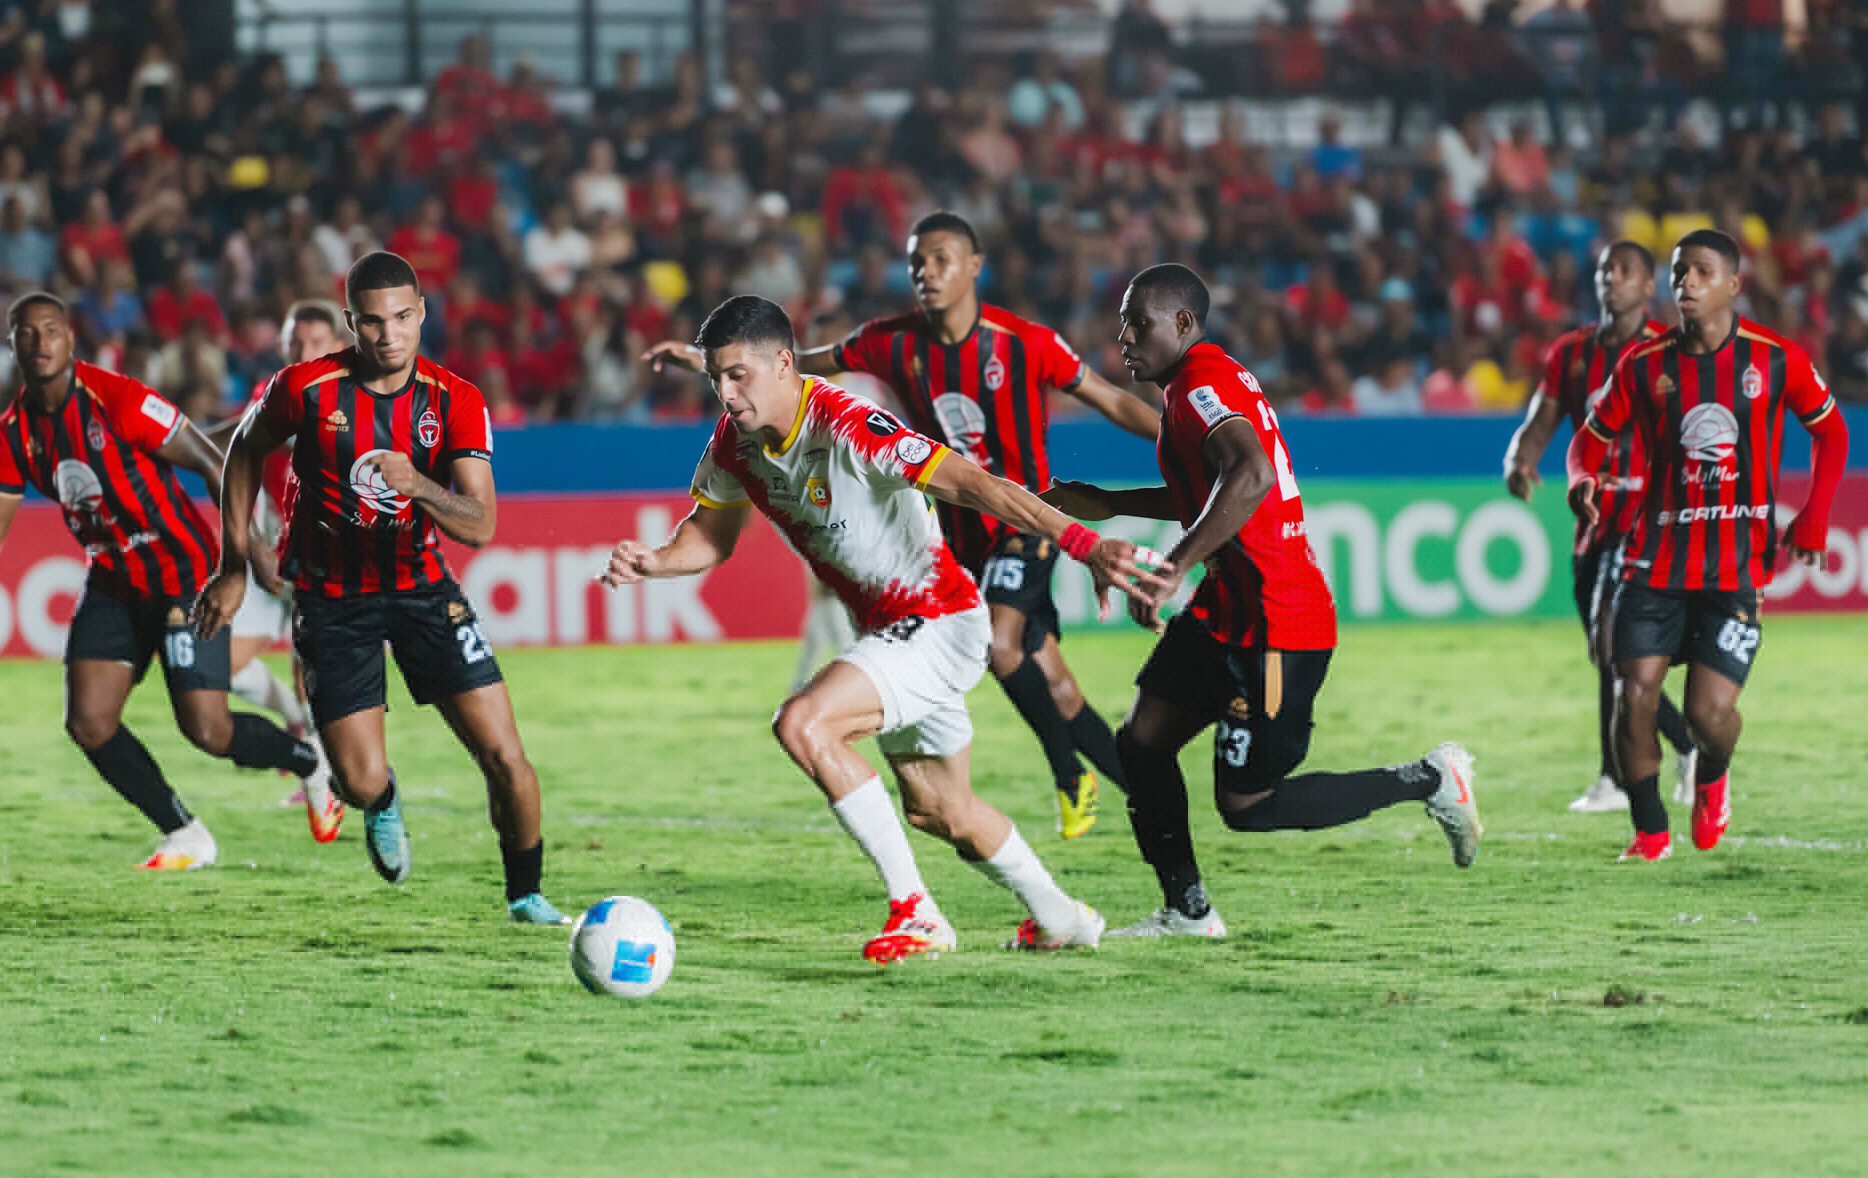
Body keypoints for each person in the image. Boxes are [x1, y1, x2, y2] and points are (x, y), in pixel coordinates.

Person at [607, 295, 1168, 962]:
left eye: (737, 375)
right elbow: (710, 536)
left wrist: (1084, 545)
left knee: (804, 723)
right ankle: (1061, 918)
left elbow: (977, 484)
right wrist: (656, 561)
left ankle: (919, 914)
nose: (725, 394)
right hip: (890, 633)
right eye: (715, 379)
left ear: (783, 363)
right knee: (940, 810)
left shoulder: (848, 424)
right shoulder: (736, 443)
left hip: (938, 621)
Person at [647, 211, 1163, 841]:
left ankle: (1066, 773)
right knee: (1051, 681)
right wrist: (710, 361)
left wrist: (1181, 439)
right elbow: (793, 361)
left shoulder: (1024, 341)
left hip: (1022, 515)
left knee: (1000, 645)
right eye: (917, 261)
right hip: (954, 530)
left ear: (974, 266)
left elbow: (1109, 399)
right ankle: (1147, 793)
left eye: (942, 259)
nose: (927, 273)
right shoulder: (890, 341)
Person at [1044, 265, 1480, 938]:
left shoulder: (1202, 386)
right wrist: (1107, 503)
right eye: (1122, 323)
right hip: (1227, 612)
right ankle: (1187, 911)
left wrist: (1172, 568)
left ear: (1183, 325)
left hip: (1280, 627)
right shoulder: (1193, 389)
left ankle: (1429, 778)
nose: (1123, 336)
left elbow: (1251, 474)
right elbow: (1214, 491)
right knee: (1142, 742)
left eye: (1139, 323)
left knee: (1247, 803)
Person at [194, 252, 567, 925]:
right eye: (372, 322)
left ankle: (526, 895)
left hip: (422, 587)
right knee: (360, 783)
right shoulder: (305, 388)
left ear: (422, 314)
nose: (389, 334)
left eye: (402, 318)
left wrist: (421, 485)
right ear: (351, 324)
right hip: (331, 599)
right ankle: (383, 798)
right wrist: (233, 565)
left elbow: (480, 523)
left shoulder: (455, 399)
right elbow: (243, 451)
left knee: (505, 756)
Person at [0, 292, 330, 869]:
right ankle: (184, 832)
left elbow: (210, 458)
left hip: (183, 572)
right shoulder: (9, 437)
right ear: (11, 346)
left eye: (51, 329)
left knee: (207, 730)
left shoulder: (119, 399)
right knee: (89, 722)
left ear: (70, 339)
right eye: (26, 333)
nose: (40, 342)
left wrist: (247, 551)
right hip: (113, 582)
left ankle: (308, 761)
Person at [1566, 230, 1850, 861]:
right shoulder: (1643, 367)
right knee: (1631, 694)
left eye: (1700, 271)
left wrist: (1814, 515)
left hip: (1733, 569)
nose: (1685, 283)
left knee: (1708, 718)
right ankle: (1649, 831)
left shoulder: (1776, 360)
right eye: (1678, 272)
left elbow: (1832, 433)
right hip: (1654, 564)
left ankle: (1714, 776)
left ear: (1732, 285)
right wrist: (1581, 478)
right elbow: (1587, 439)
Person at [1504, 242, 1697, 815]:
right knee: (1605, 653)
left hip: (1651, 520)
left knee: (1614, 646)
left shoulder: (1671, 352)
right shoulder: (1571, 353)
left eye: (1624, 271)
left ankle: (1631, 773)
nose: (1610, 279)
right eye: (1603, 270)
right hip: (1593, 522)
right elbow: (1539, 422)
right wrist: (1520, 461)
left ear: (1647, 287)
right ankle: (1664, 755)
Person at [206, 300, 349, 836]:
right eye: (294, 342)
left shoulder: (353, 398)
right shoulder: (272, 395)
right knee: (220, 664)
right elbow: (235, 442)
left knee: (310, 666)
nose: (302, 352)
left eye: (314, 343)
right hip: (272, 555)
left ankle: (325, 777)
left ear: (336, 344)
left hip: (331, 556)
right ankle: (303, 730)